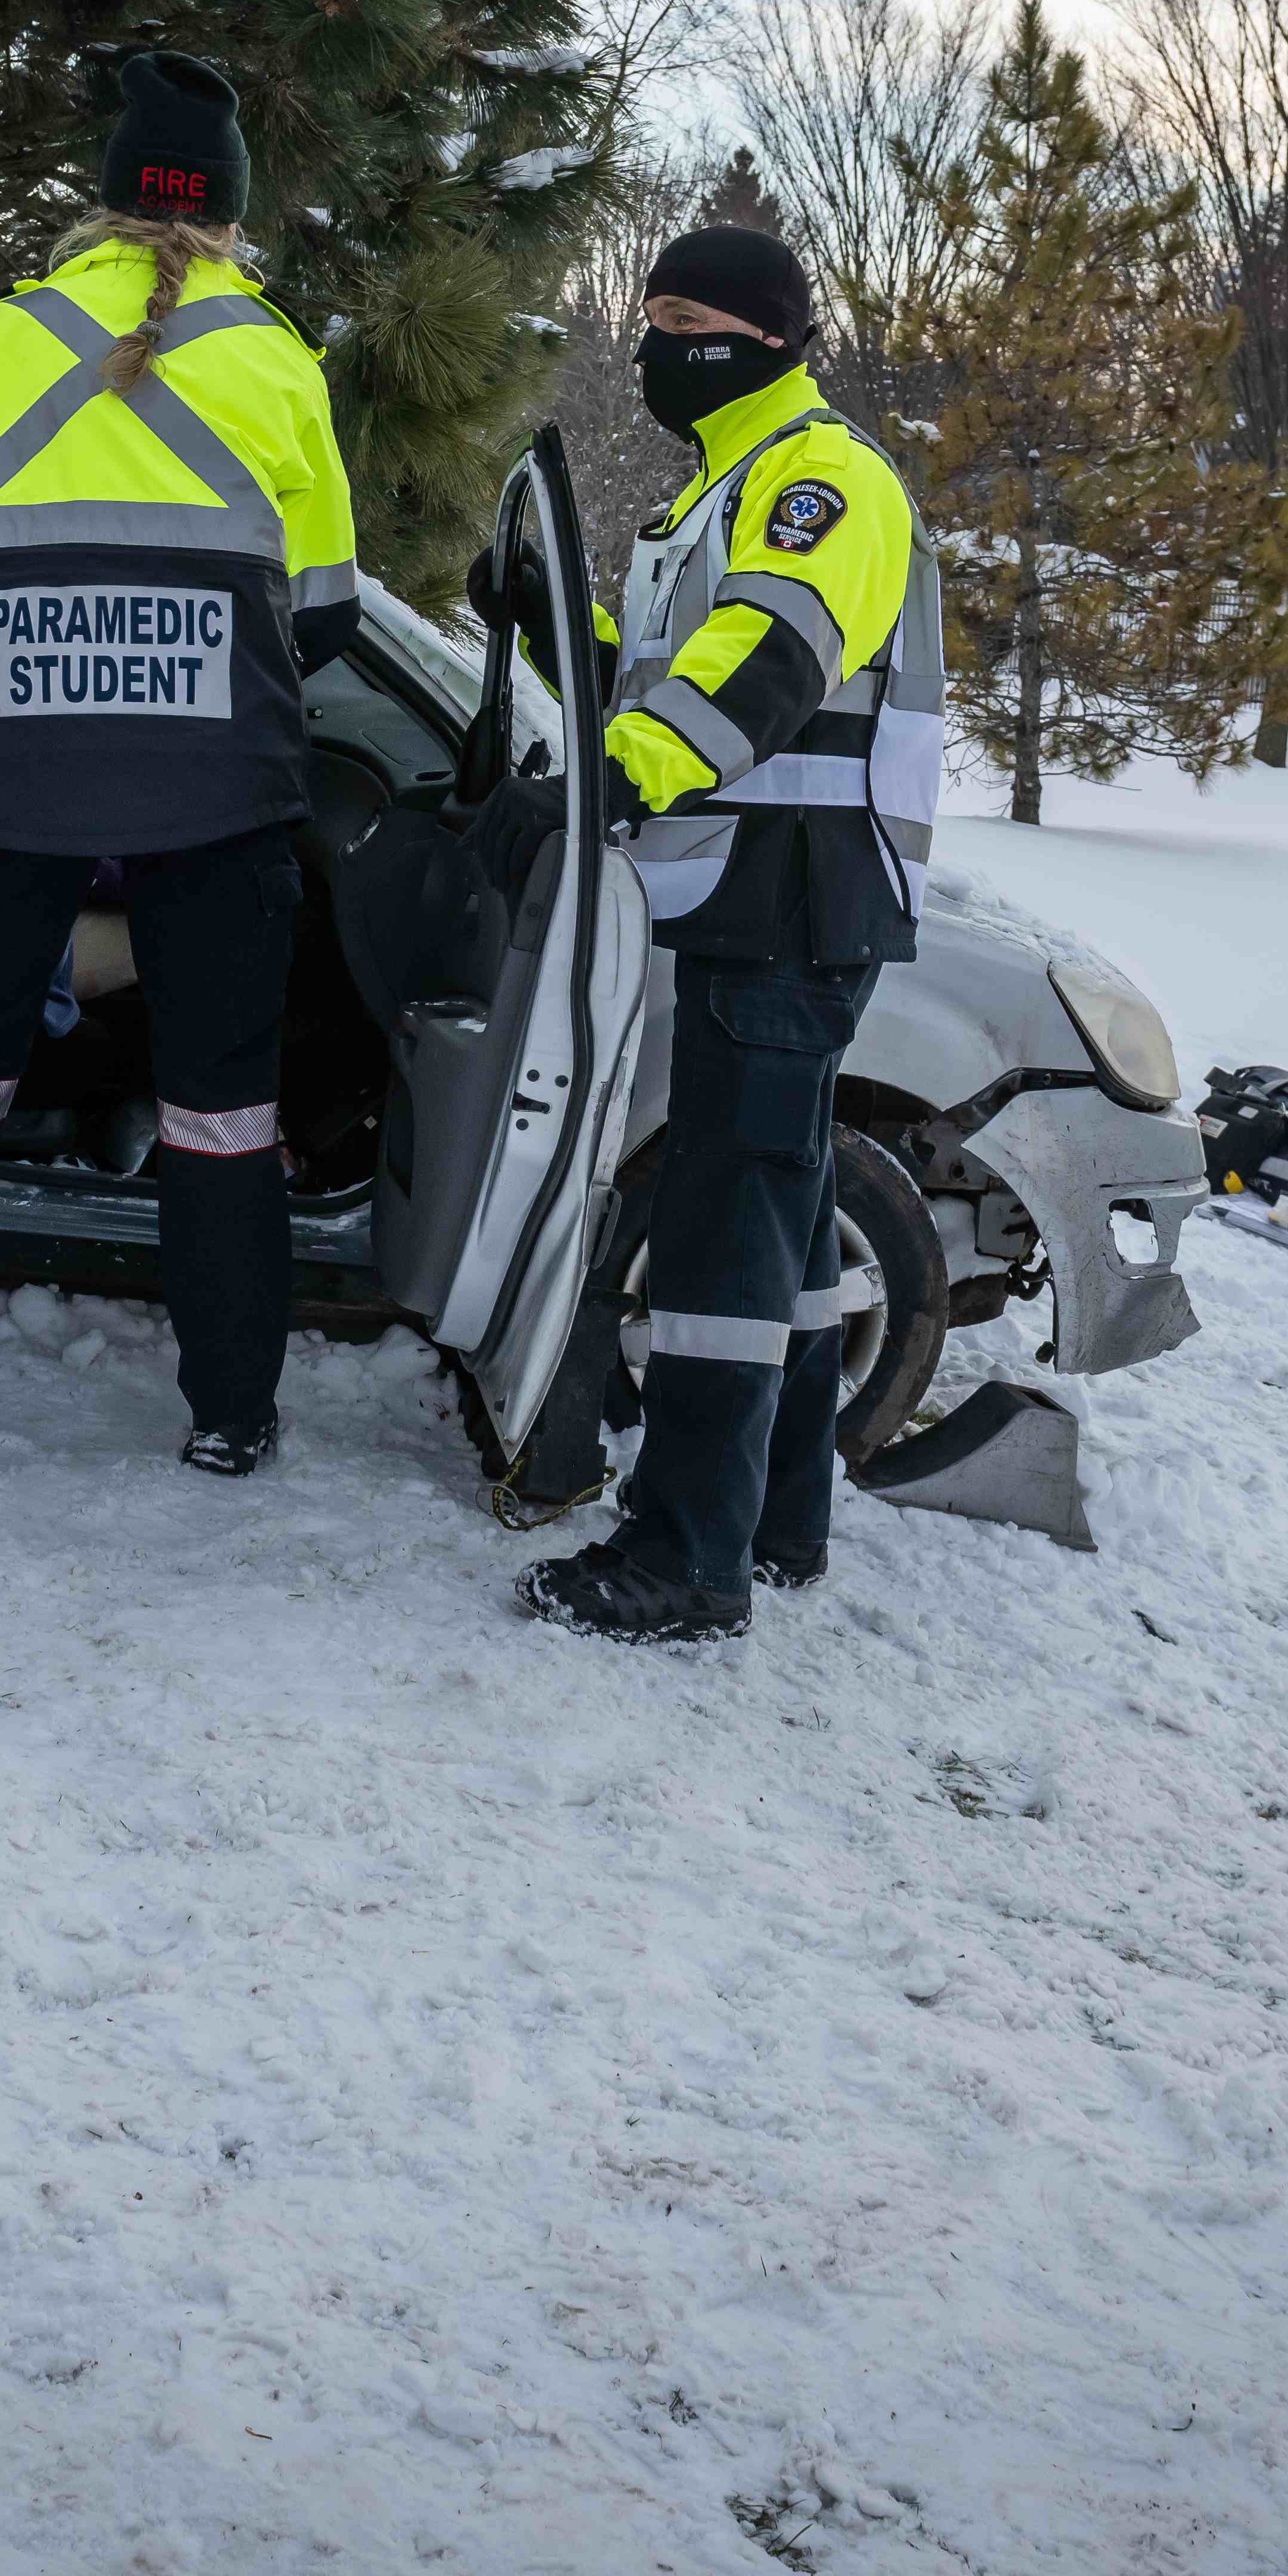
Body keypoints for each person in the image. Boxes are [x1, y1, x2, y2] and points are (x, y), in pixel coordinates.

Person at [0, 51, 360, 1472]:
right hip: (218, 809)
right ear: (230, 219)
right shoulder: (278, 363)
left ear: (103, 203)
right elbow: (326, 618)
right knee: (223, 1105)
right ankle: (231, 1410)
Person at [519, 226, 946, 1646]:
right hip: (754, 902)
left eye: (685, 317)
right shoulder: (722, 492)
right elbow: (675, 660)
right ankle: (775, 1519)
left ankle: (684, 1560)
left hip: (786, 900)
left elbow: (759, 667)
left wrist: (625, 770)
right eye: (648, 316)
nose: (655, 346)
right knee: (782, 1223)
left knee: (719, 1239)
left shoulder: (819, 481)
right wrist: (554, 634)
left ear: (767, 334)